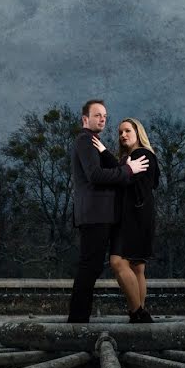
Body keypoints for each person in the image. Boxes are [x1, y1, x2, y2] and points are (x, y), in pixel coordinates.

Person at [67, 100, 149, 323]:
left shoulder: (92, 141)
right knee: (89, 268)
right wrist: (128, 170)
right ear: (86, 119)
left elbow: (106, 171)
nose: (103, 119)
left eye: (104, 116)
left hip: (98, 215)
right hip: (95, 215)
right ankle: (77, 321)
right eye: (97, 115)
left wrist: (118, 165)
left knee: (91, 268)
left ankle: (78, 320)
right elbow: (95, 176)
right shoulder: (85, 140)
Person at [91, 117, 159, 323]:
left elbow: (125, 177)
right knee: (137, 266)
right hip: (141, 216)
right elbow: (150, 183)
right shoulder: (141, 156)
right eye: (120, 132)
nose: (123, 135)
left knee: (117, 261)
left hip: (132, 218)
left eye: (127, 131)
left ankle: (138, 312)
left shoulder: (142, 154)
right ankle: (137, 313)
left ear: (138, 133)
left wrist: (103, 151)